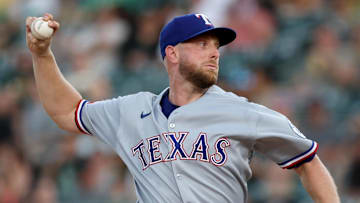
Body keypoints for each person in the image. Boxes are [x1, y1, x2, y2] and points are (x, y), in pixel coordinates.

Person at [26, 13, 340, 203]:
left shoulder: (242, 112)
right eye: (202, 44)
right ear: (172, 54)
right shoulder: (131, 111)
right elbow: (67, 112)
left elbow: (308, 160)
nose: (214, 53)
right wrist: (42, 55)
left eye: (216, 46)